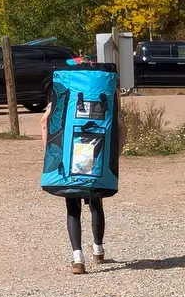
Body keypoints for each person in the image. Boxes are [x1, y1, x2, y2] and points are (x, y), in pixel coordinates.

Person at [40, 94, 124, 275]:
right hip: (97, 154)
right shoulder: (105, 92)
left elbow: (45, 122)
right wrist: (114, 158)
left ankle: (78, 258)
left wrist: (52, 157)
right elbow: (120, 128)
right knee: (96, 204)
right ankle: (98, 248)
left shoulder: (65, 93)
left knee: (72, 208)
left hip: (71, 158)